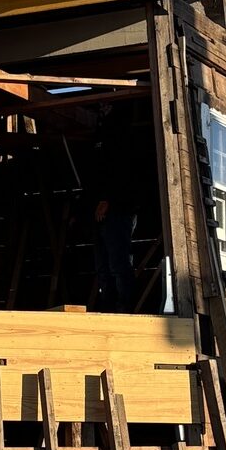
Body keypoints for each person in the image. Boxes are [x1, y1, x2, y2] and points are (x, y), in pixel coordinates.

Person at [91, 101, 138, 311]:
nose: (102, 109)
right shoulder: (101, 133)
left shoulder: (120, 133)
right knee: (103, 266)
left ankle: (123, 308)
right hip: (103, 210)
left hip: (119, 209)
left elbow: (120, 170)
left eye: (106, 105)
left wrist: (107, 199)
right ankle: (109, 308)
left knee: (118, 263)